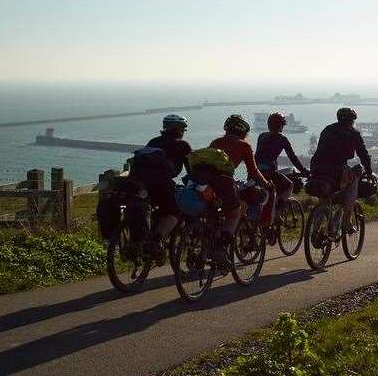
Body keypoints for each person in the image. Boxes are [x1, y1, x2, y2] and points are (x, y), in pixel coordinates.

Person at [197, 114, 274, 267]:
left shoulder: (216, 141)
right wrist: (266, 184)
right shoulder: (244, 145)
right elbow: (253, 171)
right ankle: (221, 249)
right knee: (234, 213)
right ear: (243, 131)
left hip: (205, 183)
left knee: (214, 213)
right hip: (224, 182)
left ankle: (204, 248)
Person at [129, 114, 191, 258]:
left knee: (153, 208)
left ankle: (142, 240)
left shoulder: (153, 141)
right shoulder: (182, 145)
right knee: (174, 213)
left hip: (140, 183)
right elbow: (191, 171)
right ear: (179, 129)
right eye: (183, 128)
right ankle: (155, 241)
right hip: (161, 183)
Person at [309, 107, 375, 230]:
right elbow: (363, 154)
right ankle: (347, 221)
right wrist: (369, 171)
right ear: (351, 121)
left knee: (324, 198)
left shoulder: (327, 129)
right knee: (354, 180)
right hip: (337, 168)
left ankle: (315, 229)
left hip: (317, 167)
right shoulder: (353, 134)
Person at [256, 112, 310, 230]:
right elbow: (293, 158)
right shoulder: (282, 139)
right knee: (289, 185)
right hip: (270, 173)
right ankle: (278, 212)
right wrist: (304, 170)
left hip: (255, 173)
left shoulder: (261, 136)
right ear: (281, 126)